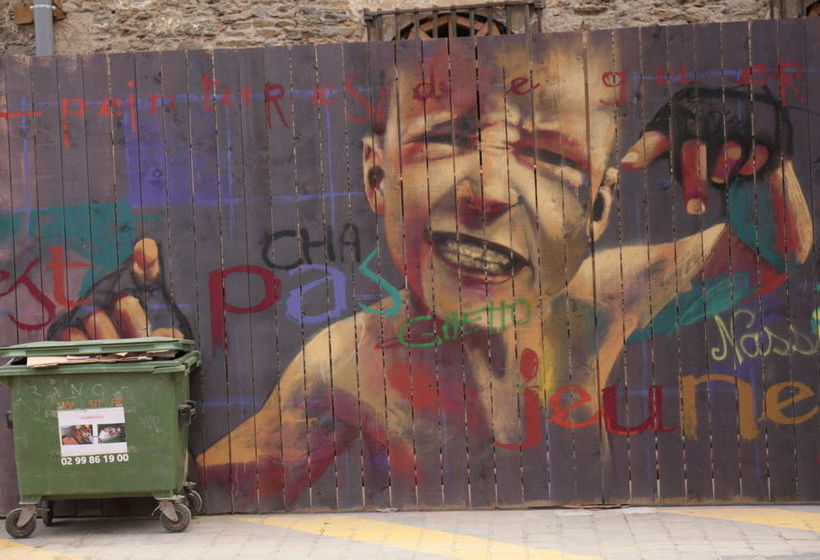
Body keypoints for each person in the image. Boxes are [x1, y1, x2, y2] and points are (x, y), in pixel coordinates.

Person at [197, 37, 812, 507]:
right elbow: (226, 479)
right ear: (377, 176)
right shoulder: (344, 368)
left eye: (548, 157)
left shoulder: (597, 302)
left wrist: (766, 161)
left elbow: (773, 255)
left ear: (596, 210)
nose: (487, 191)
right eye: (443, 138)